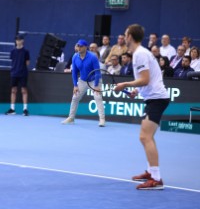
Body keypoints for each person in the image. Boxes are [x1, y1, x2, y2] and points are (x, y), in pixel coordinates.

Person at [114, 24, 170, 190]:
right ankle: (151, 172)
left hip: (157, 99)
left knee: (145, 137)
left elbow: (145, 79)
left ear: (130, 36)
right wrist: (136, 90)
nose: (124, 37)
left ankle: (156, 179)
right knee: (147, 137)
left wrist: (125, 84)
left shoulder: (139, 54)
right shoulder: (141, 53)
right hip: (154, 98)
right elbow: (149, 78)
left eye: (125, 34)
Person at [61, 39, 105, 126]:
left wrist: (96, 86)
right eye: (78, 46)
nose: (79, 48)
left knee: (98, 97)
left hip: (95, 80)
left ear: (86, 47)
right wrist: (75, 85)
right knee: (75, 98)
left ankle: (102, 120)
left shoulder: (93, 57)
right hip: (83, 80)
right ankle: (71, 118)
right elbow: (74, 72)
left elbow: (97, 72)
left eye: (81, 46)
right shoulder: (74, 57)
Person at [5, 34, 30, 116]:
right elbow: (13, 61)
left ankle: (25, 109)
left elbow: (27, 63)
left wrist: (21, 68)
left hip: (23, 73)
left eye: (19, 39)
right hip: (14, 73)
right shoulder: (12, 51)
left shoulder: (26, 51)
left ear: (22, 41)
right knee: (13, 90)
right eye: (17, 40)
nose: (18, 41)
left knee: (24, 91)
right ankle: (12, 109)